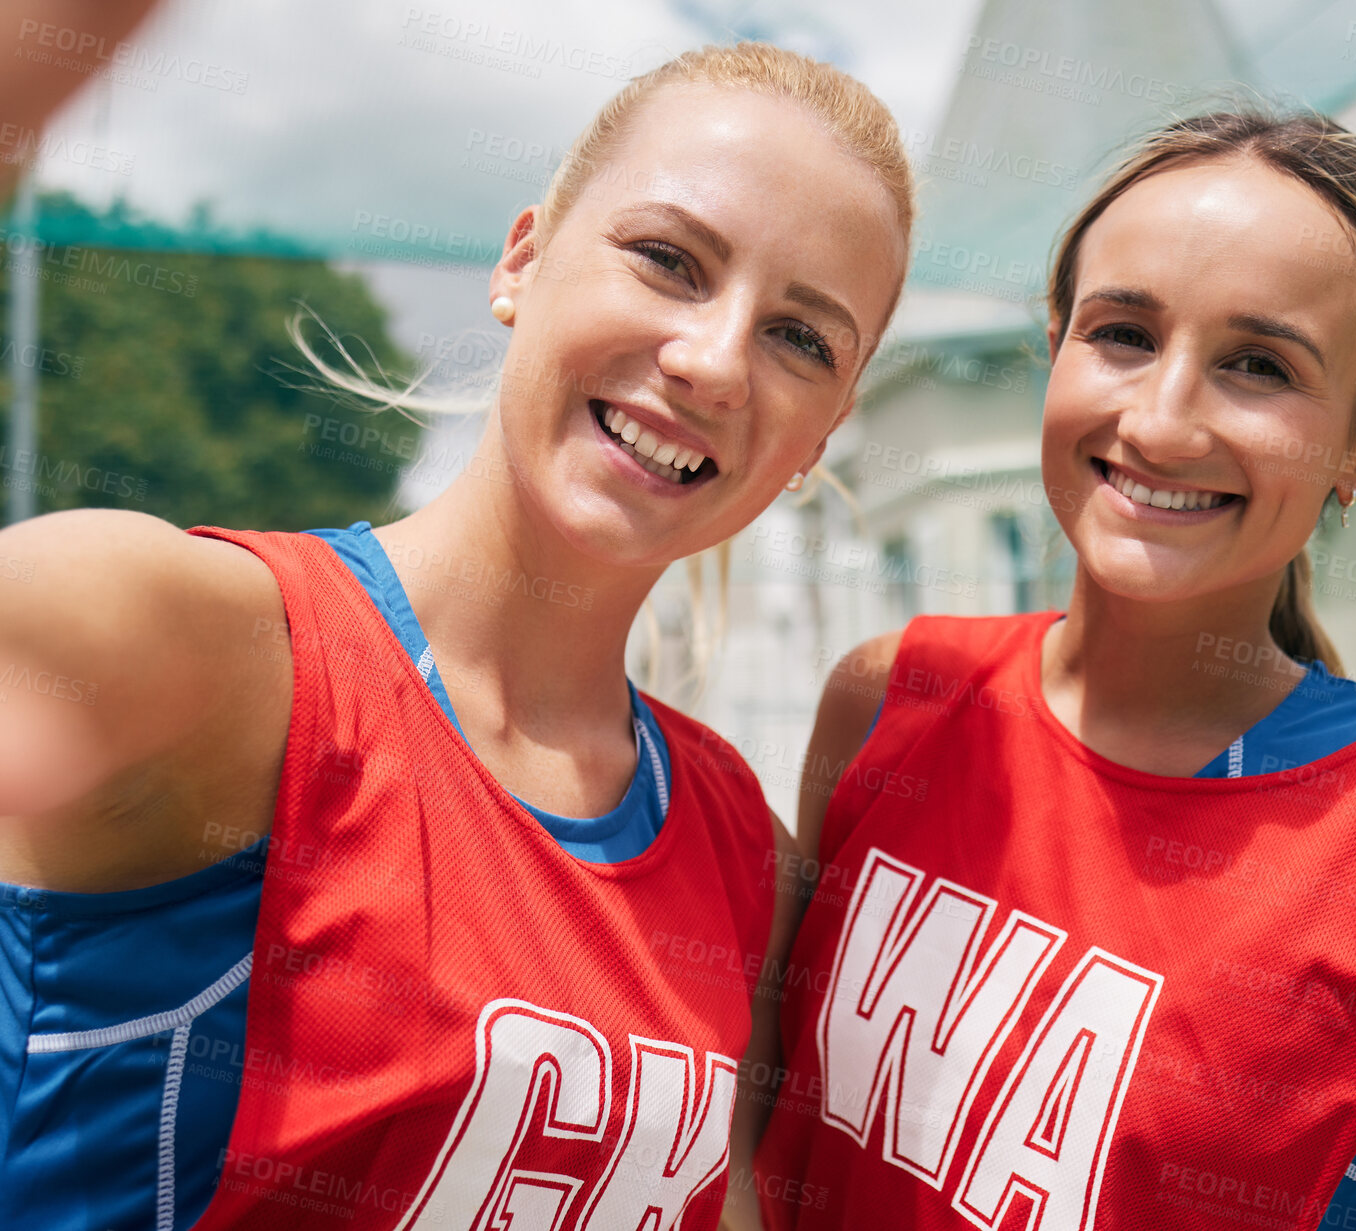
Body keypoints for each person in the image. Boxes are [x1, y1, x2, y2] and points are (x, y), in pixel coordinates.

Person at [0, 41, 911, 1231]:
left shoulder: (748, 855)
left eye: (802, 338)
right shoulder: (182, 639)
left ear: (824, 434)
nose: (714, 361)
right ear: (522, 260)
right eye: (667, 260)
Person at [756, 109, 1356, 1230]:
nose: (1162, 420)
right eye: (1122, 333)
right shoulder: (891, 695)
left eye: (1258, 365)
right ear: (1054, 346)